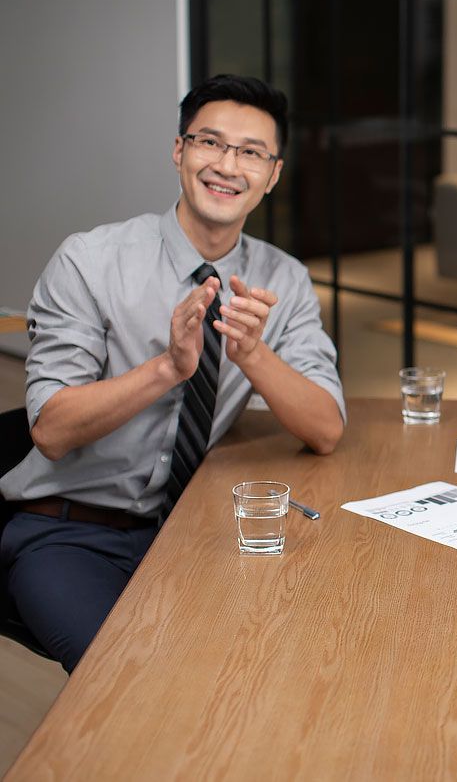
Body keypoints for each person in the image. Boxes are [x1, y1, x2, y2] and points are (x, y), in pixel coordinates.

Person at [0, 74, 346, 672]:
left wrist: (252, 355)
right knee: (133, 684)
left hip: (198, 532)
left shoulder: (282, 279)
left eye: (251, 152)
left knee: (283, 659)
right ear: (179, 151)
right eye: (209, 142)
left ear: (273, 175)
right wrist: (168, 367)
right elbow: (51, 430)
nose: (227, 165)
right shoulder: (91, 260)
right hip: (72, 534)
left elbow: (326, 429)